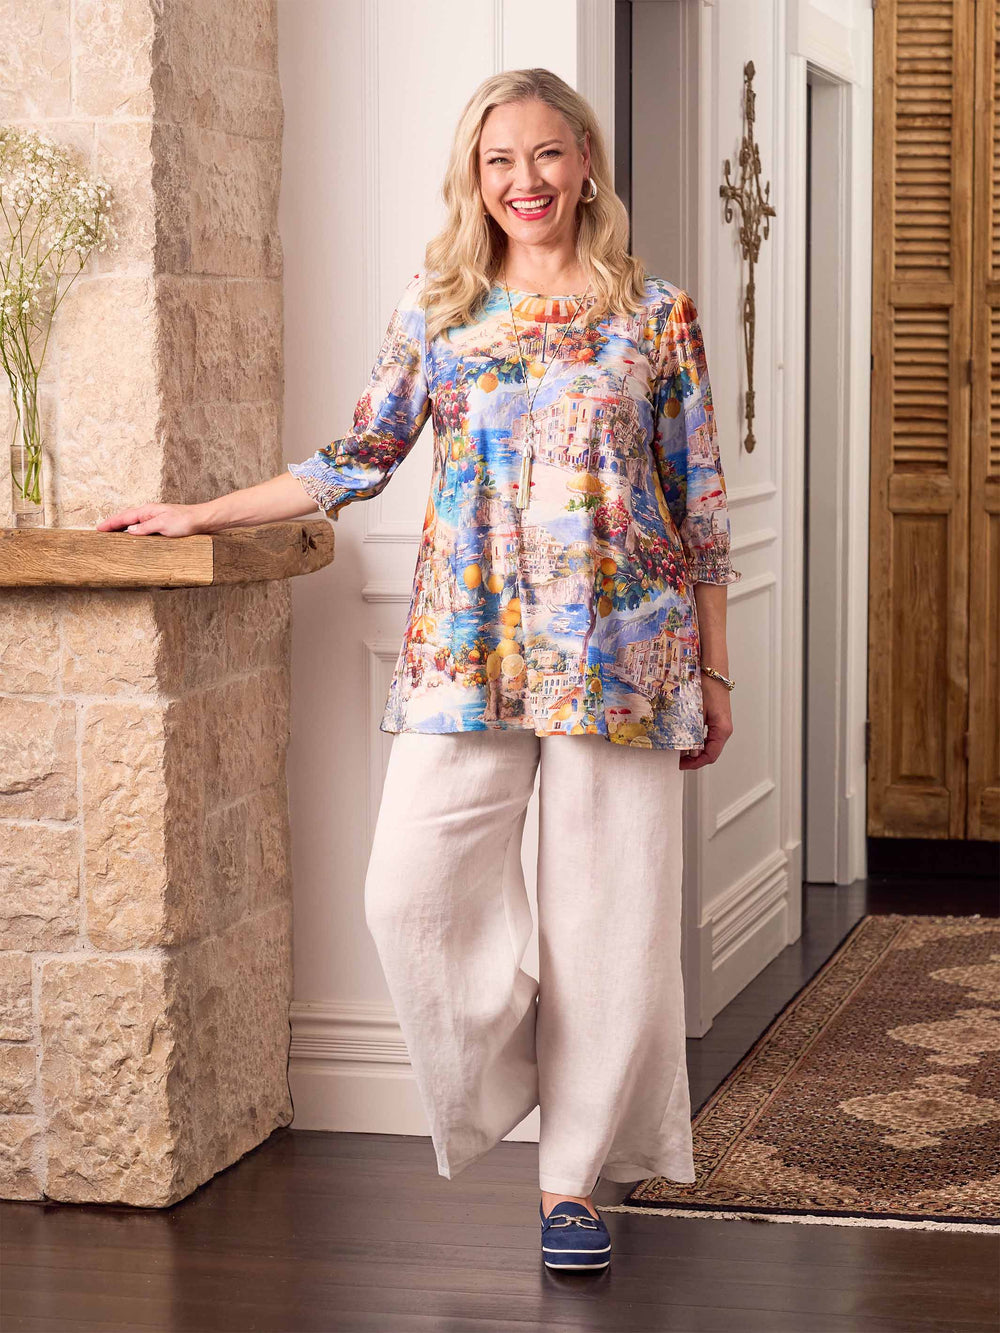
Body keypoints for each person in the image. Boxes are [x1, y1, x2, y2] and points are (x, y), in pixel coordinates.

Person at [97, 67, 741, 1273]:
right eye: (499, 160)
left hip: (625, 653)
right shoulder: (440, 309)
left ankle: (569, 1183)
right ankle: (539, 1064)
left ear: (584, 163)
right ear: (473, 176)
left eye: (545, 155)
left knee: (610, 926)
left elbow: (697, 500)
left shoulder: (655, 313)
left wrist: (714, 670)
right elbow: (359, 455)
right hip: (469, 649)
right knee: (407, 894)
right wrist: (200, 512)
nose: (524, 181)